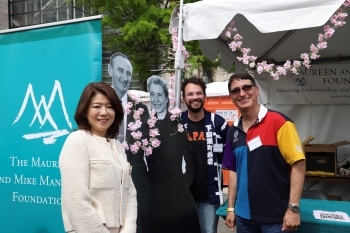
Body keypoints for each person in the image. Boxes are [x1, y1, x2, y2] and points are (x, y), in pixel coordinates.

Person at [223, 73, 306, 233]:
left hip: (276, 218)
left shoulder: (280, 122)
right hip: (243, 218)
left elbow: (298, 164)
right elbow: (233, 170)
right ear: (231, 97)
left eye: (247, 87)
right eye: (236, 90)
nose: (242, 93)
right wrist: (231, 208)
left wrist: (293, 208)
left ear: (256, 90)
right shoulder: (233, 131)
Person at [59, 82, 137, 233]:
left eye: (109, 106)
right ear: (85, 110)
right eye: (97, 106)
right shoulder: (78, 141)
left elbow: (130, 194)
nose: (104, 112)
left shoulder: (118, 147)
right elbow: (76, 202)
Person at [146, 75, 201, 233]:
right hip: (154, 188)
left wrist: (186, 181)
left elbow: (188, 156)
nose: (156, 100)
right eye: (152, 94)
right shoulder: (145, 124)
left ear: (165, 98)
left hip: (176, 187)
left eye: (159, 95)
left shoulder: (176, 122)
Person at [108, 52, 152, 233]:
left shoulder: (140, 108)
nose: (124, 77)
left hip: (136, 182)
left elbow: (149, 144)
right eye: (120, 70)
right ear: (110, 70)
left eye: (128, 73)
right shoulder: (100, 103)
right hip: (107, 179)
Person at [181, 77, 229, 233]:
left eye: (198, 93)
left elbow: (230, 157)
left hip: (209, 196)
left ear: (204, 96)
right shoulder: (177, 123)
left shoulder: (218, 123)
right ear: (183, 98)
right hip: (182, 196)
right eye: (190, 94)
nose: (195, 97)